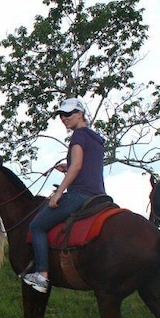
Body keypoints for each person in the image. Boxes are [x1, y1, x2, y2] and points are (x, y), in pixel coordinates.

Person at [24, 98, 106, 293]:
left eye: (68, 114)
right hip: (99, 195)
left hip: (79, 195)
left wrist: (59, 193)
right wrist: (67, 167)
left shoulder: (78, 135)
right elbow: (86, 166)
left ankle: (42, 276)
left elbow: (77, 166)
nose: (63, 118)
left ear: (80, 114)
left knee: (37, 226)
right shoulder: (96, 138)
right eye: (61, 115)